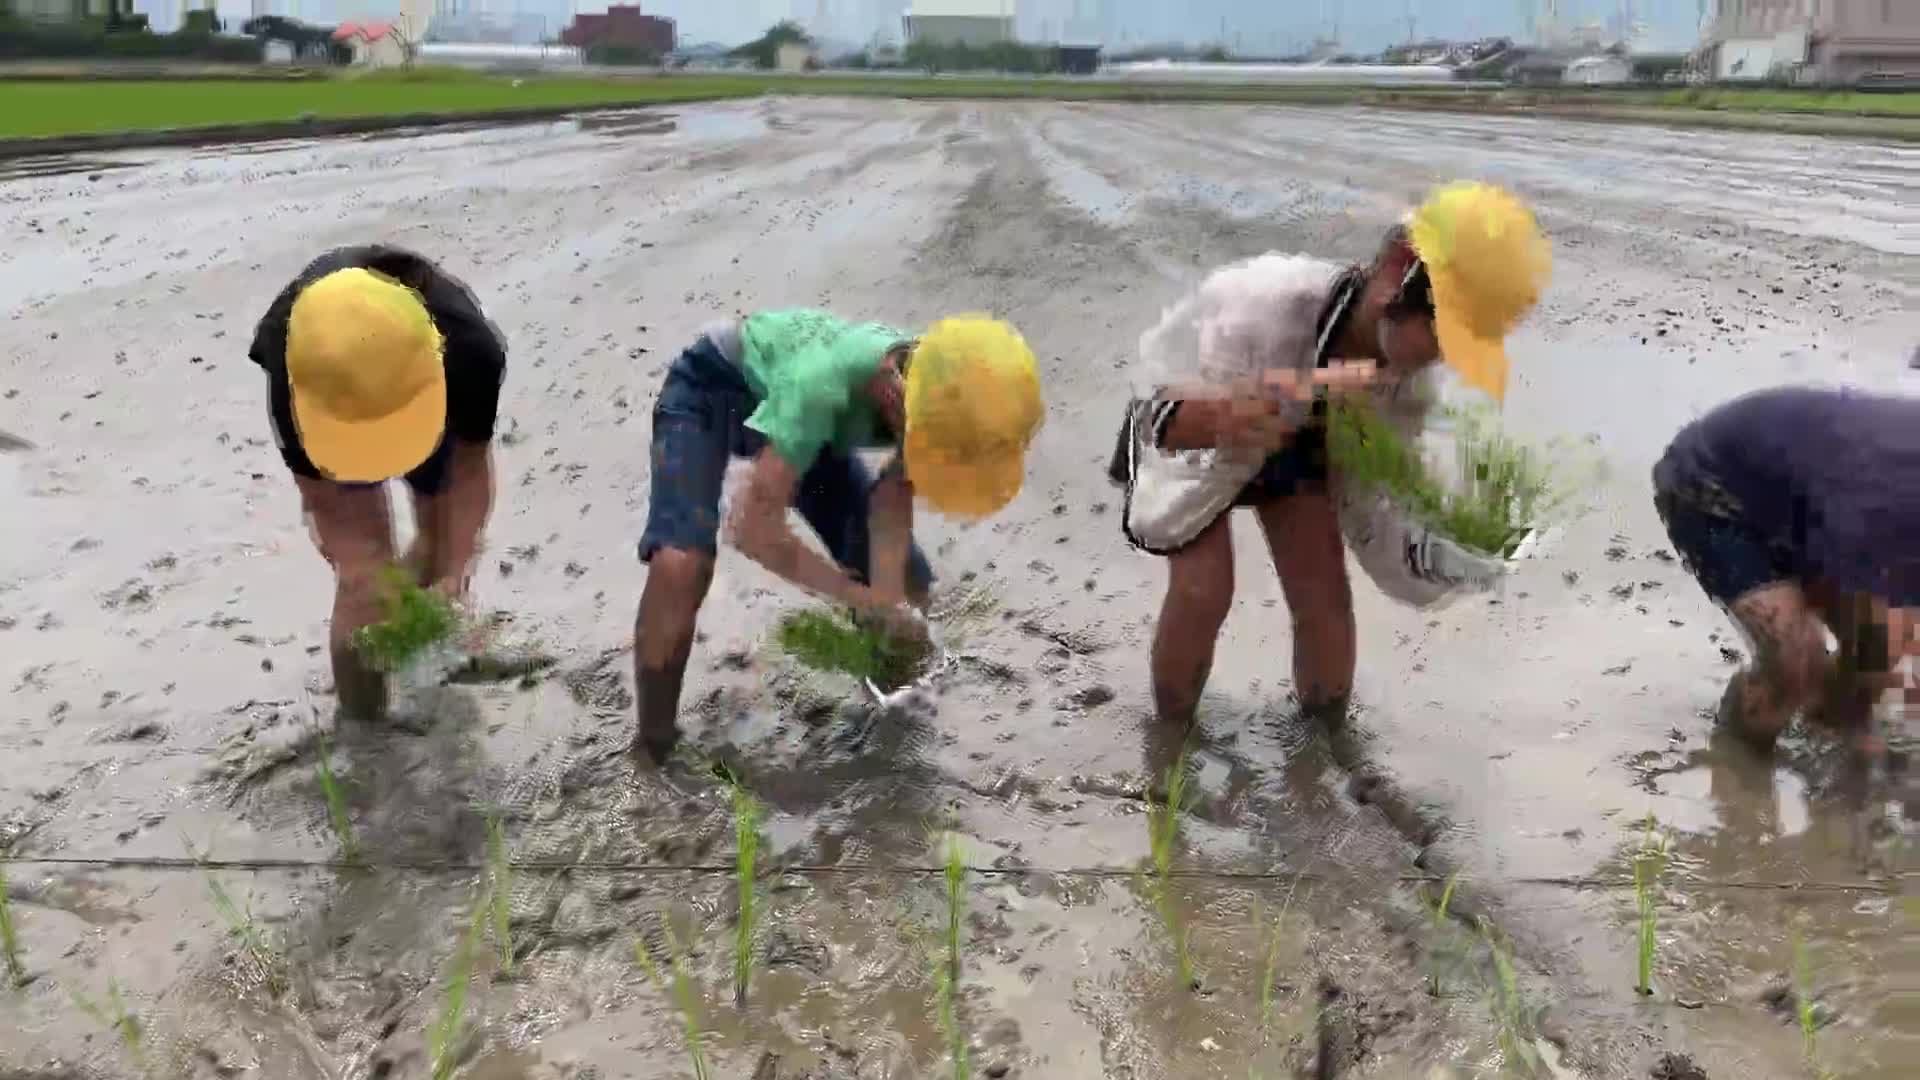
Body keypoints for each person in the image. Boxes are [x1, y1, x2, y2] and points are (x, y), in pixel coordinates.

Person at [1109, 182, 1552, 730]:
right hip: (1195, 415)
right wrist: (1244, 411)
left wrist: (1447, 557)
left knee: (1324, 599)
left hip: (1299, 439)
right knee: (1205, 589)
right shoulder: (1262, 306)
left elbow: (1380, 508)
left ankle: (1326, 740)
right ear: (1396, 277)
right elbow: (1164, 412)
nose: (1439, 356)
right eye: (1441, 330)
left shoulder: (1407, 384)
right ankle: (1170, 739)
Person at [632, 310, 1044, 765]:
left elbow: (890, 501)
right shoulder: (821, 387)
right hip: (712, 389)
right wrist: (854, 596)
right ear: (893, 394)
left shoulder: (938, 386)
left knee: (913, 585)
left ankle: (896, 716)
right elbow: (751, 530)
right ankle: (653, 748)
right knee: (681, 564)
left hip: (811, 426)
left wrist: (886, 600)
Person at [249, 245, 508, 719]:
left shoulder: (470, 352)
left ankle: (425, 668)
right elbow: (327, 515)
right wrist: (364, 574)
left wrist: (455, 573)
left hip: (428, 385)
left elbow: (470, 470)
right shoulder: (292, 368)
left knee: (437, 552)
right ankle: (363, 731)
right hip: (325, 395)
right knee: (364, 583)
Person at [1652, 386, 1920, 756]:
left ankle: (1833, 734)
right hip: (1713, 483)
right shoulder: (1890, 494)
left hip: (1818, 505)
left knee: (1877, 654)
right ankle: (1739, 768)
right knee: (1794, 657)